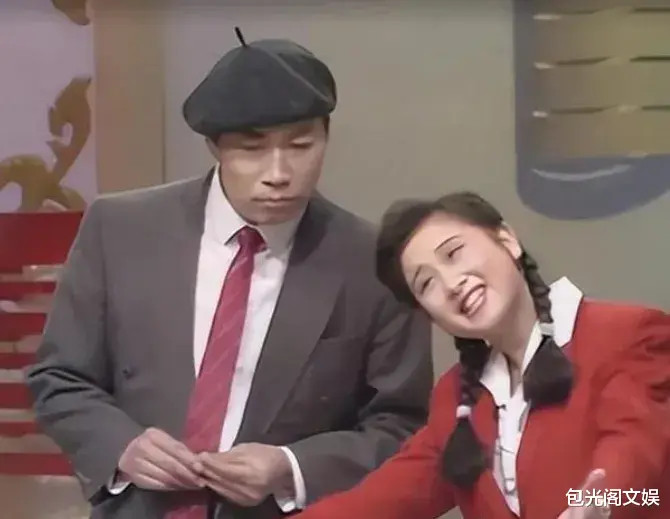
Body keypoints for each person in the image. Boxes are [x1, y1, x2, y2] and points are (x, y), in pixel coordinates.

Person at [25, 29, 433, 519]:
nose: (278, 173)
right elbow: (59, 377)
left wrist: (291, 467)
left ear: (326, 138)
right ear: (215, 147)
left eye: (301, 145)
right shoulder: (120, 229)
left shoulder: (372, 261)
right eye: (252, 149)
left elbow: (402, 425)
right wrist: (121, 445)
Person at [291, 191, 670, 519]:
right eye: (427, 283)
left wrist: (597, 502)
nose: (451, 284)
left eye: (454, 253)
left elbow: (639, 450)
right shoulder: (457, 401)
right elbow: (377, 502)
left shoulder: (623, 333)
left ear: (507, 240)